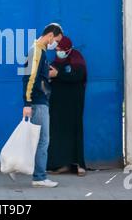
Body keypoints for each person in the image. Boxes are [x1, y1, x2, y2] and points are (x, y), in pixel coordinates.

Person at [22, 23, 63, 188]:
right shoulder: (37, 51)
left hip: (39, 101)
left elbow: (38, 77)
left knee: (40, 140)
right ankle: (39, 177)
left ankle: (39, 175)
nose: (56, 45)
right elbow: (29, 78)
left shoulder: (40, 51)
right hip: (38, 102)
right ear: (51, 35)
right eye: (57, 40)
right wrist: (27, 102)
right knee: (42, 140)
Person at [47, 36, 87, 176]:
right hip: (58, 104)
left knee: (75, 131)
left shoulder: (77, 58)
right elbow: (51, 77)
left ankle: (79, 165)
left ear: (68, 49)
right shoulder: (55, 62)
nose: (58, 52)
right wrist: (50, 75)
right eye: (57, 50)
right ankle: (61, 164)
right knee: (58, 133)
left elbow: (78, 76)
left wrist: (59, 74)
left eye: (60, 49)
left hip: (74, 103)